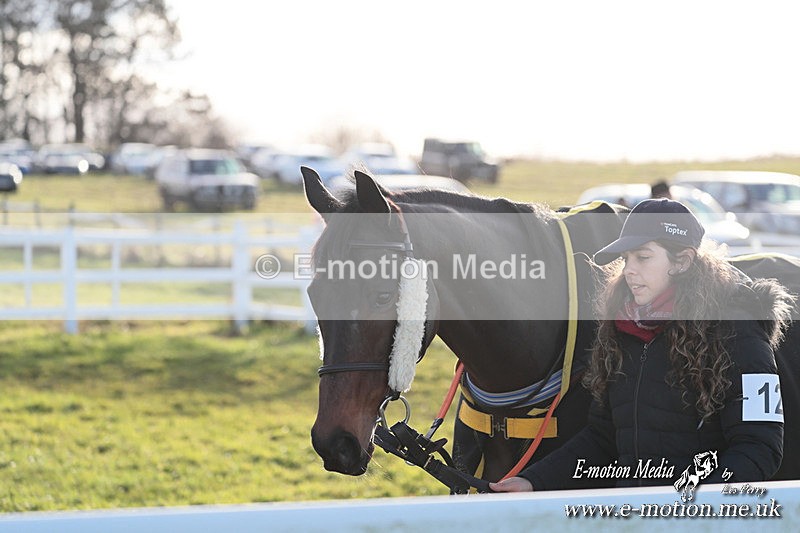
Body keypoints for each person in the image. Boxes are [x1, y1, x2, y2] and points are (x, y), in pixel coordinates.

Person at [491, 198, 793, 492]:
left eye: (643, 257)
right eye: (626, 259)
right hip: (635, 514)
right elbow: (603, 438)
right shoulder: (621, 330)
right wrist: (533, 481)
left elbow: (759, 448)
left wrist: (692, 506)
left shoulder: (737, 331)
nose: (628, 270)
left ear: (683, 261)